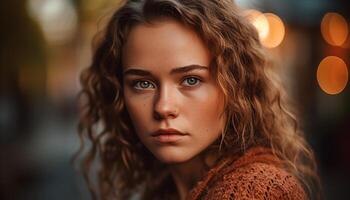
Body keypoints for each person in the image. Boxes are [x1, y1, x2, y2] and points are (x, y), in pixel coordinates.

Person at [76, 0, 321, 199]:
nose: (163, 107)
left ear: (234, 85)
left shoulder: (259, 191)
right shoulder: (162, 191)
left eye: (191, 80)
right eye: (143, 84)